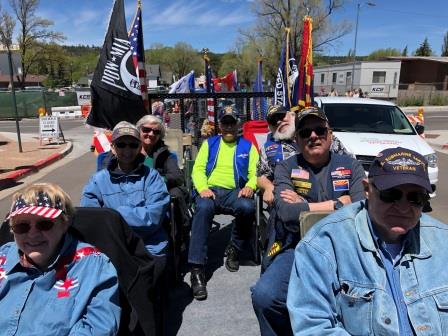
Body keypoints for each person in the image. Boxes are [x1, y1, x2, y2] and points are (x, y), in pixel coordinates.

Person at [287, 147, 444, 335]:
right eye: (391, 194)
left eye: (415, 198)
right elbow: (312, 326)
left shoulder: (443, 242)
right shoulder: (323, 244)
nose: (403, 208)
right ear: (367, 189)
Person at [251, 107, 366, 336]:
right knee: (264, 295)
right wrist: (337, 204)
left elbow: (362, 207)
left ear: (330, 134)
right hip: (296, 245)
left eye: (319, 130)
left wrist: (304, 205)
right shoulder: (286, 166)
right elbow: (286, 213)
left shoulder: (351, 166)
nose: (313, 136)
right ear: (297, 139)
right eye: (306, 133)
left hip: (347, 246)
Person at [0, 183, 120, 335]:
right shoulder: (2, 257)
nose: (32, 235)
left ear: (65, 223)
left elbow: (98, 328)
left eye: (44, 224)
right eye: (22, 226)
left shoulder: (94, 265)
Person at [188, 109, 259, 300]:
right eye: (225, 123)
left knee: (247, 207)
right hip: (210, 189)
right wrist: (202, 188)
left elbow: (255, 173)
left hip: (234, 191)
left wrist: (250, 186)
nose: (228, 127)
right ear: (220, 125)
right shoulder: (209, 144)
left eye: (232, 123)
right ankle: (197, 269)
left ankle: (234, 249)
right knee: (203, 208)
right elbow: (198, 170)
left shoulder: (248, 146)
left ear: (238, 125)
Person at [80, 121, 170, 265]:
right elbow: (91, 218)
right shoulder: (98, 180)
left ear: (140, 147)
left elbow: (153, 217)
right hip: (112, 247)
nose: (127, 150)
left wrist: (113, 215)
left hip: (148, 246)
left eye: (133, 145)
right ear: (113, 148)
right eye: (121, 144)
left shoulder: (152, 177)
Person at [136, 114, 190, 250]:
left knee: (177, 194)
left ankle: (179, 241)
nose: (151, 134)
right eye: (146, 130)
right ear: (139, 130)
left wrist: (156, 181)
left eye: (156, 131)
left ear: (160, 135)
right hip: (134, 191)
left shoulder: (165, 154)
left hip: (159, 192)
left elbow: (177, 177)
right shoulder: (129, 149)